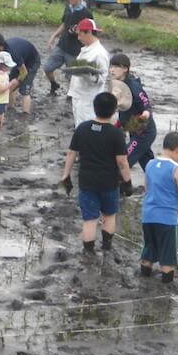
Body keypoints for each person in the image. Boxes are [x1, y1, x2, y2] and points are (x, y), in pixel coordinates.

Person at [59, 92, 134, 255]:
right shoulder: (116, 134)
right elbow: (122, 162)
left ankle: (88, 252)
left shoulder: (82, 129)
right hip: (109, 183)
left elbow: (71, 154)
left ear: (94, 108)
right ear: (114, 110)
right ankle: (106, 247)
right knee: (109, 214)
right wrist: (127, 182)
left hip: (87, 182)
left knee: (90, 219)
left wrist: (66, 175)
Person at [141, 131, 178, 283]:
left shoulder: (149, 164)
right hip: (167, 220)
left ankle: (143, 280)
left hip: (148, 216)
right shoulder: (177, 169)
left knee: (148, 250)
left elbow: (146, 188)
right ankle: (166, 290)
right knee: (168, 259)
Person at [109, 53, 156, 174]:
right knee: (147, 163)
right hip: (132, 129)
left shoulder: (134, 87)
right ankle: (161, 184)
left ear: (125, 69)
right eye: (111, 66)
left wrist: (143, 117)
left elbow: (147, 106)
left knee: (123, 160)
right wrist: (118, 125)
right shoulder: (117, 84)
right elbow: (125, 109)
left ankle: (118, 190)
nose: (112, 70)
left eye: (116, 67)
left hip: (143, 132)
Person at [45, 0, 93, 95]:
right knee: (47, 68)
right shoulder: (68, 8)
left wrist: (78, 32)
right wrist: (54, 36)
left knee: (72, 77)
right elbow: (64, 24)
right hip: (62, 45)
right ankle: (54, 84)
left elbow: (91, 32)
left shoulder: (86, 14)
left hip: (75, 50)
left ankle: (71, 96)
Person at [67, 19, 110, 127]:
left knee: (86, 128)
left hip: (88, 99)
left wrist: (87, 75)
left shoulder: (99, 53)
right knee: (79, 127)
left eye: (80, 34)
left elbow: (102, 78)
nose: (78, 38)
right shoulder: (86, 49)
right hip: (78, 95)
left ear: (89, 32)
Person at [0, 31, 41, 114]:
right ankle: (9, 108)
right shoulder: (2, 50)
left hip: (31, 62)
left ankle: (25, 114)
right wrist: (10, 85)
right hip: (19, 61)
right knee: (10, 82)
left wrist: (17, 81)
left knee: (25, 89)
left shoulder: (13, 53)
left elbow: (24, 72)